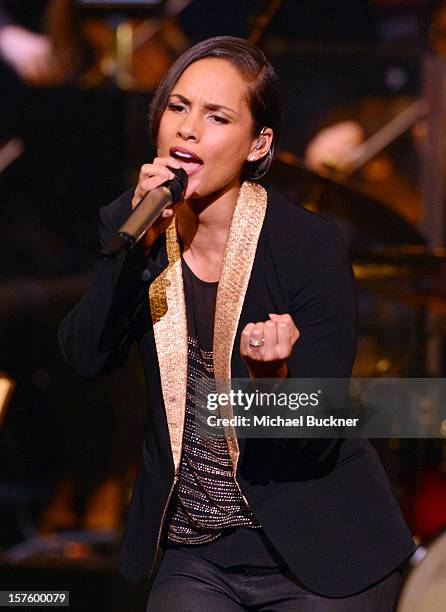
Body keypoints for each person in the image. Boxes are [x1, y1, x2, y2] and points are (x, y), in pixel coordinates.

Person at [59, 36, 416, 611]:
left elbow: (319, 439)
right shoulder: (135, 223)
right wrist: (132, 253)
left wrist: (272, 383)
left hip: (319, 554)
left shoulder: (307, 247)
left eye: (217, 116)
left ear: (258, 143)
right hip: (196, 554)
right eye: (177, 107)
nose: (187, 129)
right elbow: (85, 356)